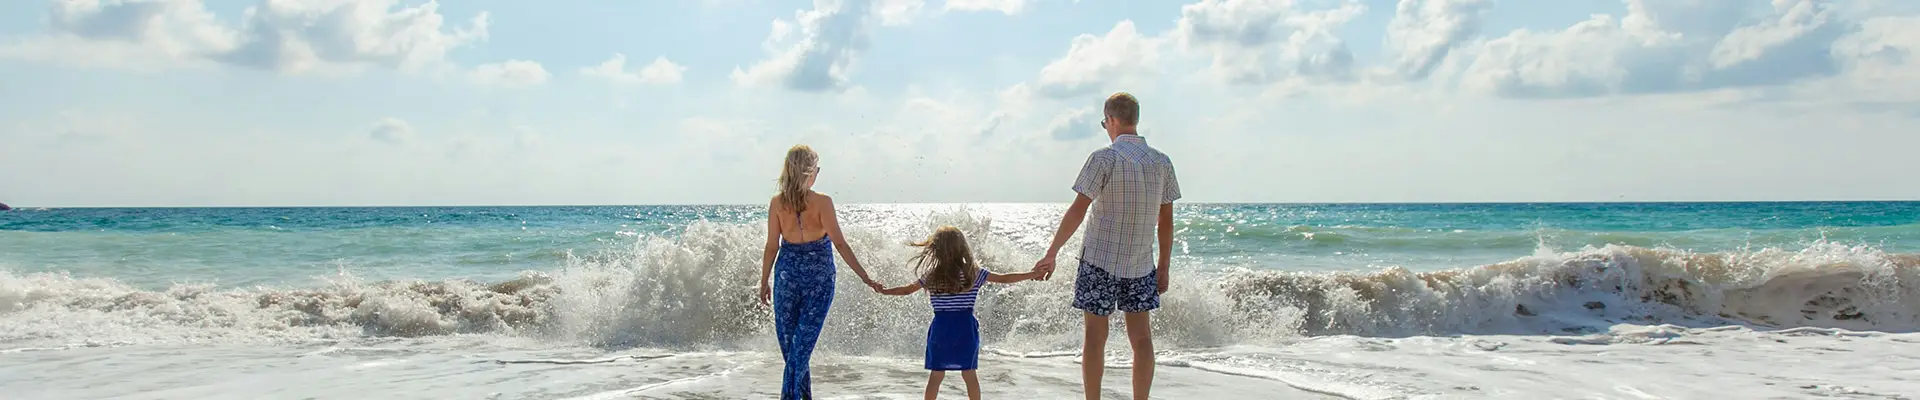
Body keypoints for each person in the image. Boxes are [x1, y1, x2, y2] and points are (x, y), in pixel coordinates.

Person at [1032, 92, 1181, 400]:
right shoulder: (1162, 162)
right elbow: (1165, 221)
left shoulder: (1104, 158)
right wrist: (1164, 266)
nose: (1106, 128)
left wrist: (1052, 252)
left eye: (1105, 122)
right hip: (1140, 264)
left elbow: (1078, 208)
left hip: (1099, 260)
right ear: (1135, 120)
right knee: (1141, 340)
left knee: (1095, 340)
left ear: (1112, 120)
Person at [759, 144, 884, 400]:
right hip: (812, 279)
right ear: (810, 172)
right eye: (817, 168)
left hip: (790, 277)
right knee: (796, 353)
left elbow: (773, 247)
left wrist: (764, 282)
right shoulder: (820, 202)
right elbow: (839, 243)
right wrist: (865, 276)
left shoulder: (779, 203)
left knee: (796, 352)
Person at [877, 226, 1045, 400]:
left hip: (941, 329)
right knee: (969, 375)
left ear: (937, 250)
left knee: (936, 375)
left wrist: (885, 291)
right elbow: (1004, 278)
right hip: (965, 329)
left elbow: (907, 290)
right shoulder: (973, 273)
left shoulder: (932, 275)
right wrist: (1032, 274)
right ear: (963, 248)